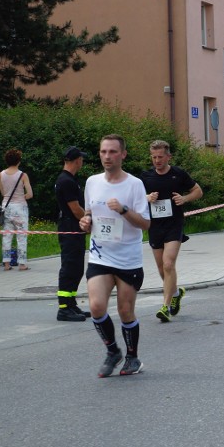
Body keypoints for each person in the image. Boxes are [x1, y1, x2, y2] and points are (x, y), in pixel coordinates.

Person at [79, 134, 151, 377]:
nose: (107, 156)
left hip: (128, 258)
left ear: (123, 155)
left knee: (125, 311)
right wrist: (86, 221)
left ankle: (132, 357)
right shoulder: (92, 182)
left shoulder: (134, 185)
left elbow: (145, 224)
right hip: (100, 255)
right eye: (103, 152)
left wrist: (123, 209)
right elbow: (90, 211)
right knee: (97, 306)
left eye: (112, 152)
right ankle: (112, 351)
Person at [141, 140, 203, 322]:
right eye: (154, 157)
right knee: (161, 268)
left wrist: (185, 199)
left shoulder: (178, 174)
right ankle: (176, 293)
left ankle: (165, 307)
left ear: (168, 157)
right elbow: (134, 197)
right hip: (155, 226)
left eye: (160, 157)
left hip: (174, 224)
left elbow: (198, 191)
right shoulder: (146, 177)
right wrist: (146, 197)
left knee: (168, 264)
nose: (157, 160)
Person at [54, 146, 90, 321]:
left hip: (73, 227)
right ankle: (63, 308)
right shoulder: (66, 181)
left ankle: (71, 303)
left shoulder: (69, 179)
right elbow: (76, 210)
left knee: (76, 268)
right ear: (77, 160)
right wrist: (89, 222)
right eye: (81, 159)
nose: (82, 161)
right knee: (70, 267)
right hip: (70, 227)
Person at [1, 148, 34, 271]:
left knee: (7, 236)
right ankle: (22, 264)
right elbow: (30, 194)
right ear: (18, 161)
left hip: (6, 207)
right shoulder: (22, 175)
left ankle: (6, 264)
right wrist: (22, 196)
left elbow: (4, 192)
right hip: (20, 208)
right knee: (21, 236)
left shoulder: (1, 175)